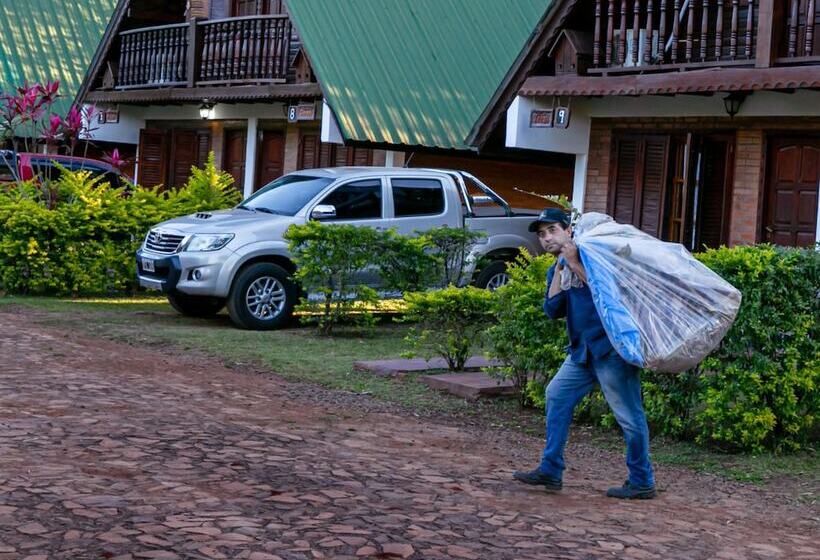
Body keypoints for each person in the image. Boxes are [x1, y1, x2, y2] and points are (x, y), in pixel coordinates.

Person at [512, 208, 656, 499]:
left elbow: (608, 295)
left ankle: (642, 481)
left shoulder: (595, 258)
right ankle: (551, 469)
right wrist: (561, 269)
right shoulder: (559, 268)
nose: (546, 238)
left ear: (569, 231)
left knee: (629, 416)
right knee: (556, 395)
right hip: (581, 353)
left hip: (611, 350)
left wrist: (575, 262)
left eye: (552, 230)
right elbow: (552, 310)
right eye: (541, 234)